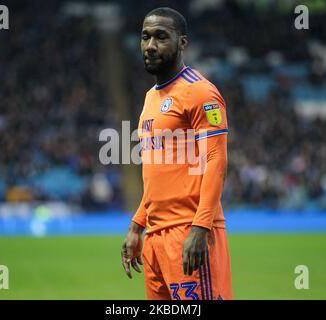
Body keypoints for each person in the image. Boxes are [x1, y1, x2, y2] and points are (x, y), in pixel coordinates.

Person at [121, 7, 232, 300]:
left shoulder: (200, 93)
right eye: (145, 37)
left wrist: (200, 227)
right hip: (155, 240)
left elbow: (216, 160)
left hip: (189, 232)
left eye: (161, 37)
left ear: (182, 42)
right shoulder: (150, 98)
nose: (150, 46)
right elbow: (159, 174)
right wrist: (137, 225)